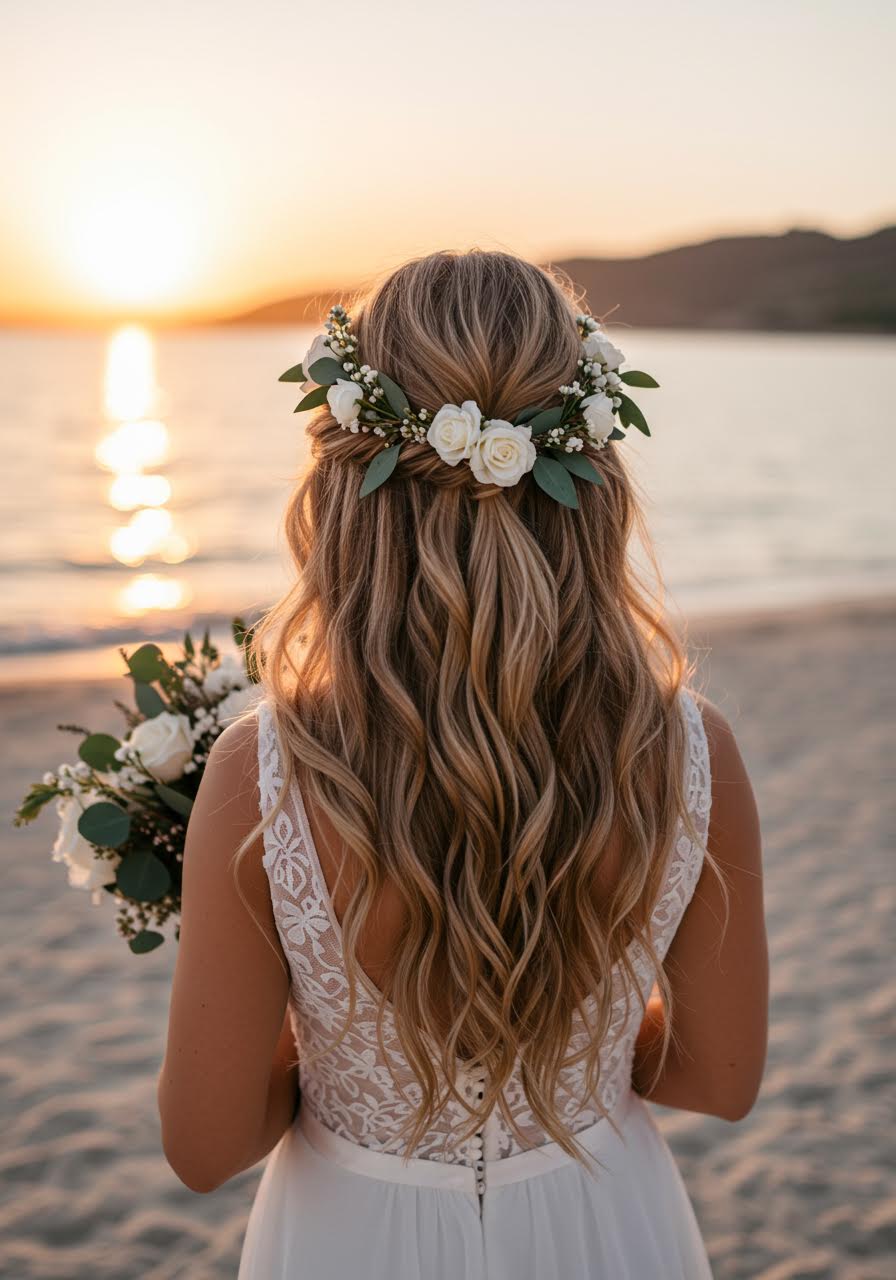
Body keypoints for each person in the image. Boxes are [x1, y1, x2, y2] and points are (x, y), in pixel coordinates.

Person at [158, 249, 768, 1278]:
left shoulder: (266, 770)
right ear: (590, 472)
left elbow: (205, 1145)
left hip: (350, 1233)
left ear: (343, 480)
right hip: (604, 1222)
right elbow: (718, 1075)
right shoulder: (689, 752)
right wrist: (563, 1054)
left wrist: (334, 1035)